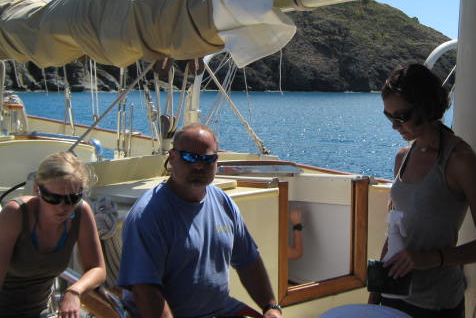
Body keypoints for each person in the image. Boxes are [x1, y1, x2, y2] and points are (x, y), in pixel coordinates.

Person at [369, 63, 476, 317]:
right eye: (389, 117)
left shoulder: (460, 161)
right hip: (393, 293)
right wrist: (375, 296)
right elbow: (395, 231)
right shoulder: (403, 157)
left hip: (437, 303)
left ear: (426, 107)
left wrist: (429, 259)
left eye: (401, 117)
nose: (394, 126)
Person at [118, 123, 283, 318]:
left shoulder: (223, 203)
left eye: (206, 159)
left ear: (216, 162)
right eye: (189, 157)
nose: (198, 165)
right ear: (172, 158)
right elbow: (145, 289)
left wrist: (270, 307)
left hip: (221, 310)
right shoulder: (148, 216)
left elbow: (248, 261)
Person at [0, 151, 106, 318]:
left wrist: (74, 291)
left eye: (72, 198)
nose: (62, 207)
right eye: (53, 198)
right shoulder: (16, 213)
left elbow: (97, 269)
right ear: (37, 190)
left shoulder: (81, 213)